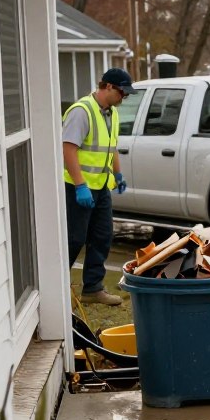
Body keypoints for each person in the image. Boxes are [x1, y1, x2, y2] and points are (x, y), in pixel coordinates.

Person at [62, 68, 137, 305]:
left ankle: (93, 289)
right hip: (78, 188)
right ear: (108, 87)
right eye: (122, 92)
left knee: (102, 236)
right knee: (74, 239)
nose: (124, 97)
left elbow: (111, 147)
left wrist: (118, 174)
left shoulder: (112, 114)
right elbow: (68, 149)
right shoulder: (82, 111)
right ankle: (55, 287)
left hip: (101, 187)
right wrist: (80, 185)